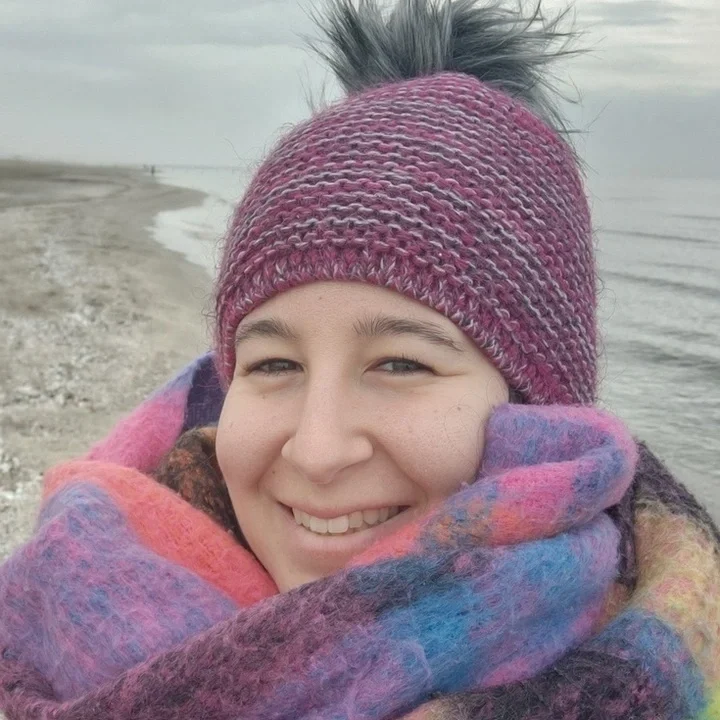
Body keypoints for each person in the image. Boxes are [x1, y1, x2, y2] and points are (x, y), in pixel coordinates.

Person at [1, 1, 718, 718]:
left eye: (401, 364)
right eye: (274, 364)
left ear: (543, 417)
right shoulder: (58, 598)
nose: (317, 452)